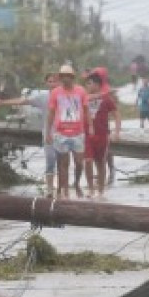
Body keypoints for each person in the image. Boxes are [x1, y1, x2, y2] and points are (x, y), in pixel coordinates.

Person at [0, 73, 59, 197]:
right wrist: (3, 102)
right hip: (49, 133)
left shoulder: (67, 95)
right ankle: (50, 190)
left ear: (59, 83)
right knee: (50, 161)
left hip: (66, 134)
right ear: (46, 83)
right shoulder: (43, 97)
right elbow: (23, 101)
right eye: (50, 81)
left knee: (64, 162)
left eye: (55, 81)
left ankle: (64, 189)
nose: (52, 84)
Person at [46, 64, 92, 199]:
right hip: (61, 132)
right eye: (63, 77)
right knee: (63, 163)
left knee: (79, 162)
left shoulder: (81, 91)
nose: (65, 79)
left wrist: (90, 126)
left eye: (68, 77)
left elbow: (86, 110)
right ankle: (65, 190)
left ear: (72, 78)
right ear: (60, 78)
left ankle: (76, 183)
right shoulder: (55, 93)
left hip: (78, 132)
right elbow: (51, 112)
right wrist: (48, 131)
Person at [80, 67, 120, 199]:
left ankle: (101, 190)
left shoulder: (106, 100)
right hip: (87, 135)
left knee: (101, 163)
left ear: (97, 85)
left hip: (102, 135)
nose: (87, 86)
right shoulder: (84, 97)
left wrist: (117, 132)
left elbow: (116, 114)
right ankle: (91, 188)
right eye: (86, 84)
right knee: (88, 161)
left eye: (90, 83)